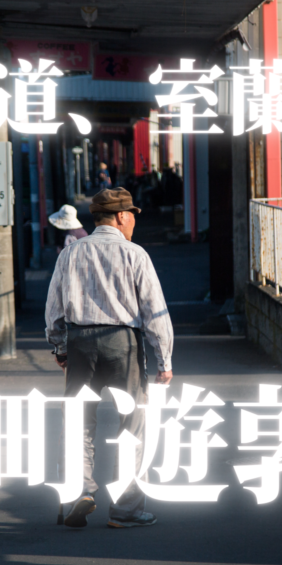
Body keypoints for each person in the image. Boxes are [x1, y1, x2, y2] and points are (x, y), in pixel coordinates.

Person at [45, 187, 174, 529]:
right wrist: (164, 361)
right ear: (120, 217)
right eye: (131, 214)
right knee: (132, 424)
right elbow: (154, 312)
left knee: (78, 422)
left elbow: (54, 309)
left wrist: (59, 347)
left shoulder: (71, 253)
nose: (133, 221)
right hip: (123, 344)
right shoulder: (135, 254)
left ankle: (78, 494)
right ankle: (125, 509)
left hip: (80, 342)